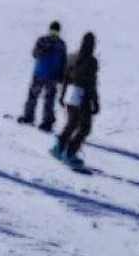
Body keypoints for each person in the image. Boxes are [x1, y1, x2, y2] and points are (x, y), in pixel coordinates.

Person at [50, 31, 100, 170]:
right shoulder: (91, 61)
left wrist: (62, 95)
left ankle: (58, 148)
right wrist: (95, 101)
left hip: (70, 94)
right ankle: (70, 153)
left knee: (72, 123)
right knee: (84, 127)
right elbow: (91, 83)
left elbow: (65, 77)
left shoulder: (72, 57)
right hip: (83, 96)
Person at [18, 21, 68, 131]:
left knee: (49, 99)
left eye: (56, 31)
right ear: (49, 30)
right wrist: (44, 49)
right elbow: (35, 54)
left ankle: (47, 121)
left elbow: (64, 61)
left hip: (52, 76)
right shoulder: (43, 40)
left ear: (59, 32)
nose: (53, 33)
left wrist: (62, 75)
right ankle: (29, 116)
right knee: (33, 96)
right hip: (40, 73)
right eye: (52, 31)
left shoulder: (61, 44)